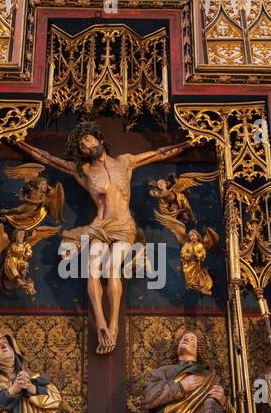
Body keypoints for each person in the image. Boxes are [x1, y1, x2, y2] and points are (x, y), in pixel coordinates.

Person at [11, 121, 191, 353]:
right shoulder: (84, 172)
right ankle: (101, 325)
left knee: (114, 268)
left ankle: (114, 326)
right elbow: (46, 158)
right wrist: (16, 141)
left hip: (124, 226)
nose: (86, 145)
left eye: (88, 139)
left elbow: (159, 153)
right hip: (100, 225)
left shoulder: (125, 162)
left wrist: (189, 144)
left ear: (98, 139)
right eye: (82, 145)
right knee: (92, 268)